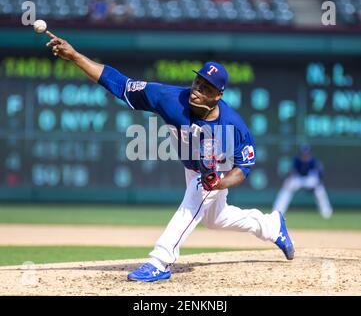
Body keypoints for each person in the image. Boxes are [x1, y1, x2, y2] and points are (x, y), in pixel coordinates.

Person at [45, 31, 295, 282]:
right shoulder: (169, 98)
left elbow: (244, 166)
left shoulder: (232, 126)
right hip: (193, 166)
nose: (197, 90)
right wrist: (75, 57)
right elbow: (120, 84)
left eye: (206, 88)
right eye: (198, 82)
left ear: (218, 95)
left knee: (198, 195)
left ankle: (160, 261)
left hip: (215, 170)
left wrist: (220, 182)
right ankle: (272, 225)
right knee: (216, 219)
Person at [272, 145, 333, 219]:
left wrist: (318, 183)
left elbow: (319, 174)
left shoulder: (314, 161)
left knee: (320, 189)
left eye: (306, 154)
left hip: (309, 179)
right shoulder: (296, 160)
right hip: (298, 179)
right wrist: (289, 180)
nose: (304, 156)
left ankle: (326, 211)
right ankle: (278, 211)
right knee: (287, 184)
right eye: (303, 154)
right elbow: (292, 171)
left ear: (309, 154)